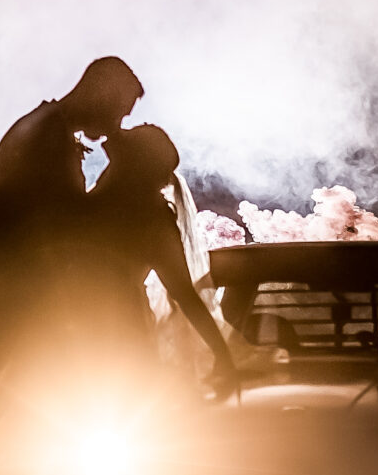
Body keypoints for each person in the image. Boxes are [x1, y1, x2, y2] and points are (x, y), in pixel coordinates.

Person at [0, 56, 144, 418]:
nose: (115, 128)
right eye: (119, 113)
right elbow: (68, 228)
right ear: (101, 95)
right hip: (16, 309)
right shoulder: (46, 139)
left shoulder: (43, 129)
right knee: (4, 425)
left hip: (8, 302)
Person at [55, 123, 241, 393]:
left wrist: (221, 353)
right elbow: (184, 294)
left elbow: (184, 295)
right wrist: (222, 353)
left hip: (93, 327)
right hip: (99, 326)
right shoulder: (130, 208)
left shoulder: (126, 210)